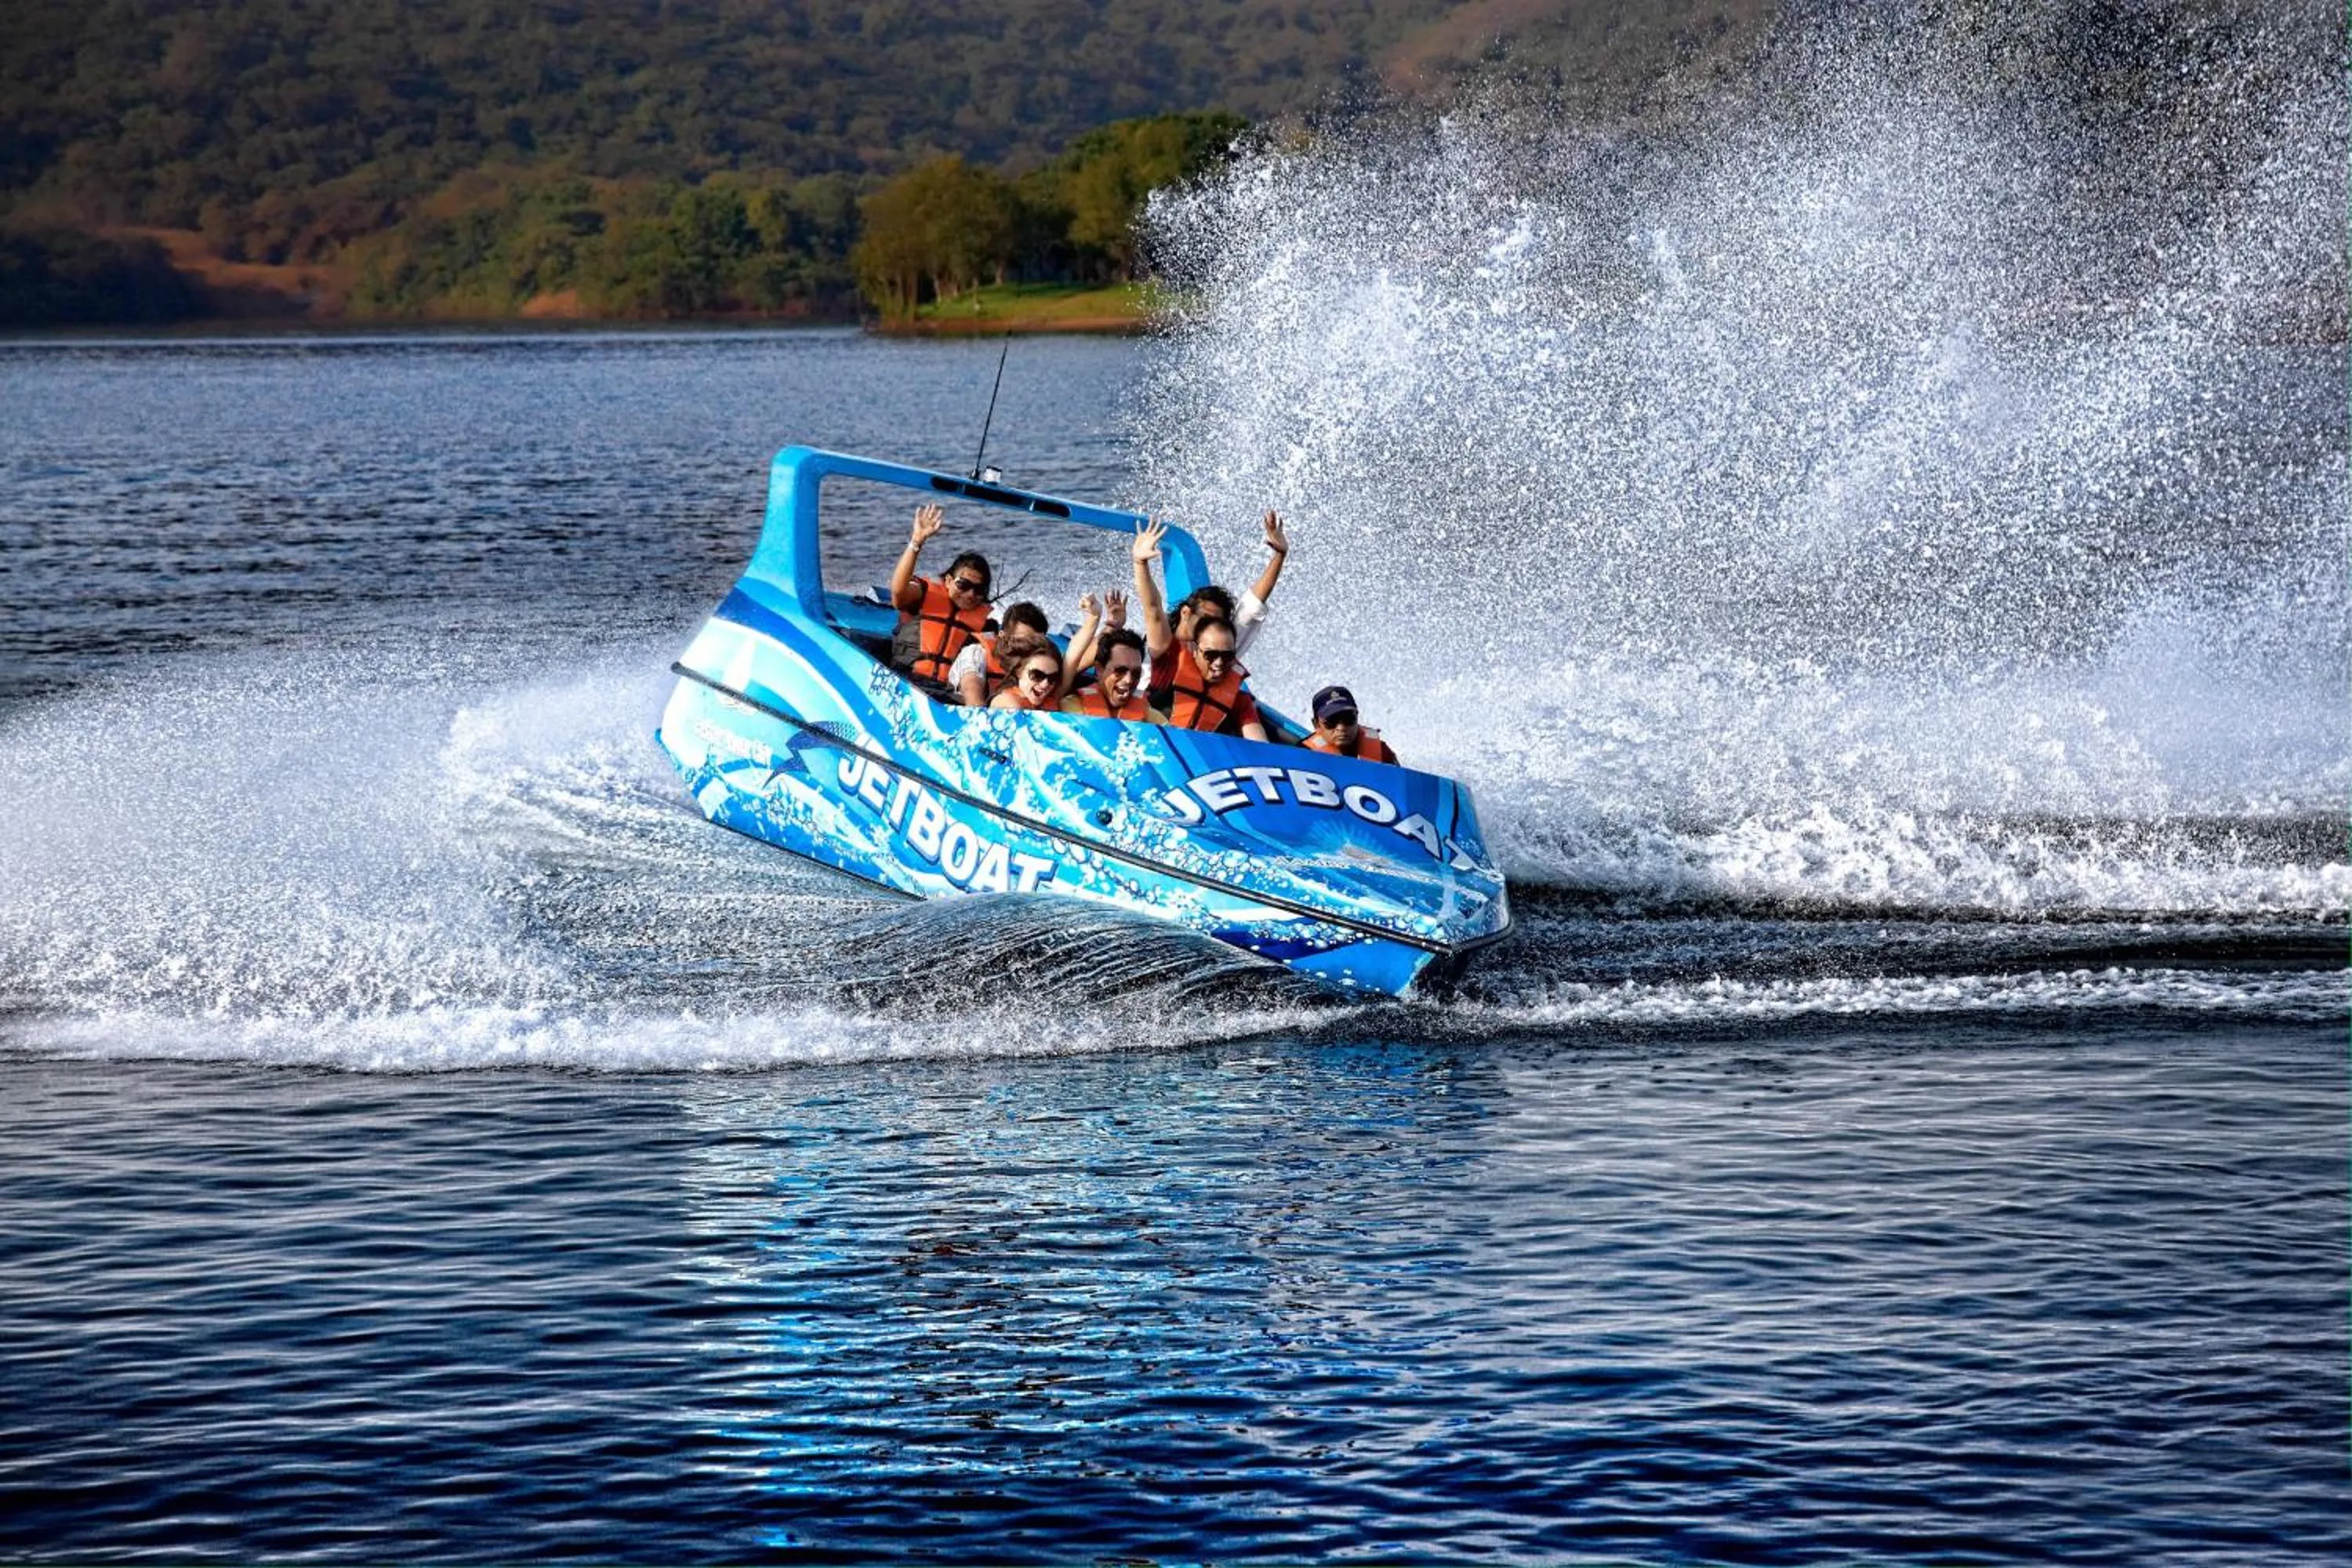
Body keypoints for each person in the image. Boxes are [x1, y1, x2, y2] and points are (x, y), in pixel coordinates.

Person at [1131, 519, 1269, 741]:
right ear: (1197, 651)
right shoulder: (1168, 659)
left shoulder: (1232, 682)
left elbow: (1250, 610)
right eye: (1211, 655)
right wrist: (1140, 563)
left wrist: (1279, 557)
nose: (1219, 663)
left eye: (1227, 656)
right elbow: (1153, 610)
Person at [887, 503, 991, 691]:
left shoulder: (986, 625)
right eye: (963, 585)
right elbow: (898, 591)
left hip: (946, 693)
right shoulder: (923, 595)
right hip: (904, 682)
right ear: (949, 581)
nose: (970, 594)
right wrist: (916, 542)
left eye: (979, 590)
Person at [1167, 509, 1288, 655]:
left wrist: (1280, 555)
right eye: (1205, 620)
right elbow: (1152, 607)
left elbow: (1251, 608)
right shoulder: (1155, 647)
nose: (1210, 628)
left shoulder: (1220, 647)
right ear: (1186, 613)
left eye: (1216, 623)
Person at [949, 600, 1049, 706]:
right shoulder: (977, 652)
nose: (1029, 647)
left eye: (1036, 642)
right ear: (1002, 636)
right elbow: (970, 685)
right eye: (1022, 640)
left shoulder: (1045, 664)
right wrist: (979, 711)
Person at [1060, 627, 1167, 723]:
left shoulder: (1153, 719)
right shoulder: (1069, 709)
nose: (1129, 680)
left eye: (1136, 673)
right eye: (1120, 670)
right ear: (1099, 669)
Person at [1302, 685, 1398, 764]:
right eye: (1332, 721)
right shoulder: (1303, 753)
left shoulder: (1382, 752)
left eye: (1348, 719)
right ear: (1316, 725)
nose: (1341, 728)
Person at [987, 633, 1065, 712]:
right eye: (1037, 675)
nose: (1045, 684)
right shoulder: (1009, 704)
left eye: (1052, 678)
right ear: (1018, 672)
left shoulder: (1051, 697)